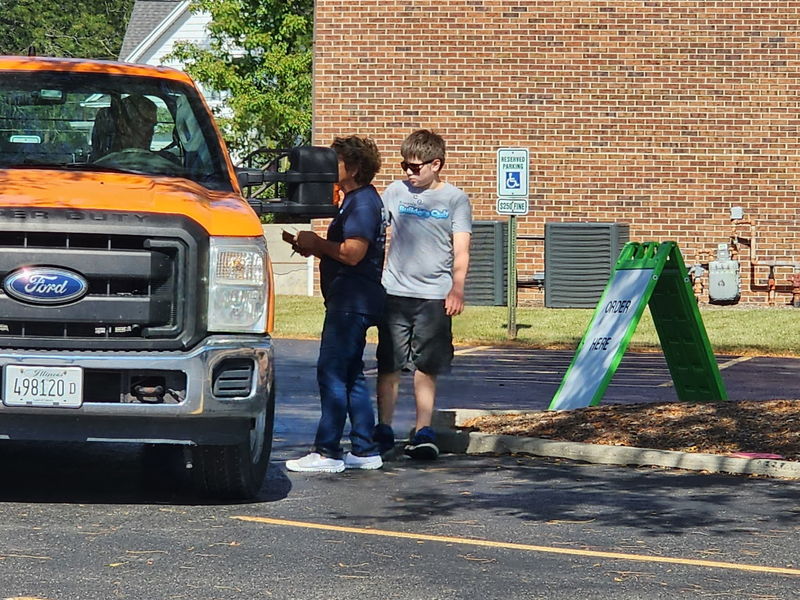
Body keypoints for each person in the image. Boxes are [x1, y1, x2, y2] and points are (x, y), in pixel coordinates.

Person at [285, 136, 387, 473]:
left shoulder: (361, 203)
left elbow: (353, 253)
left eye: (337, 162)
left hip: (351, 300)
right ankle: (364, 447)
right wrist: (314, 247)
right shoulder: (357, 201)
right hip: (353, 299)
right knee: (351, 374)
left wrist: (318, 244)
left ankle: (327, 451)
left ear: (355, 168)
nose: (330, 168)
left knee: (331, 372)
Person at [375, 129, 472, 460]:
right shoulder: (394, 192)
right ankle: (383, 429)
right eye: (405, 166)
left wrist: (457, 288)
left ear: (436, 164)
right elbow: (375, 231)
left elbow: (461, 250)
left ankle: (422, 431)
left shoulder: (454, 200)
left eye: (415, 167)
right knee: (389, 364)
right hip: (394, 291)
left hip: (434, 295)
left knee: (426, 366)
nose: (408, 173)